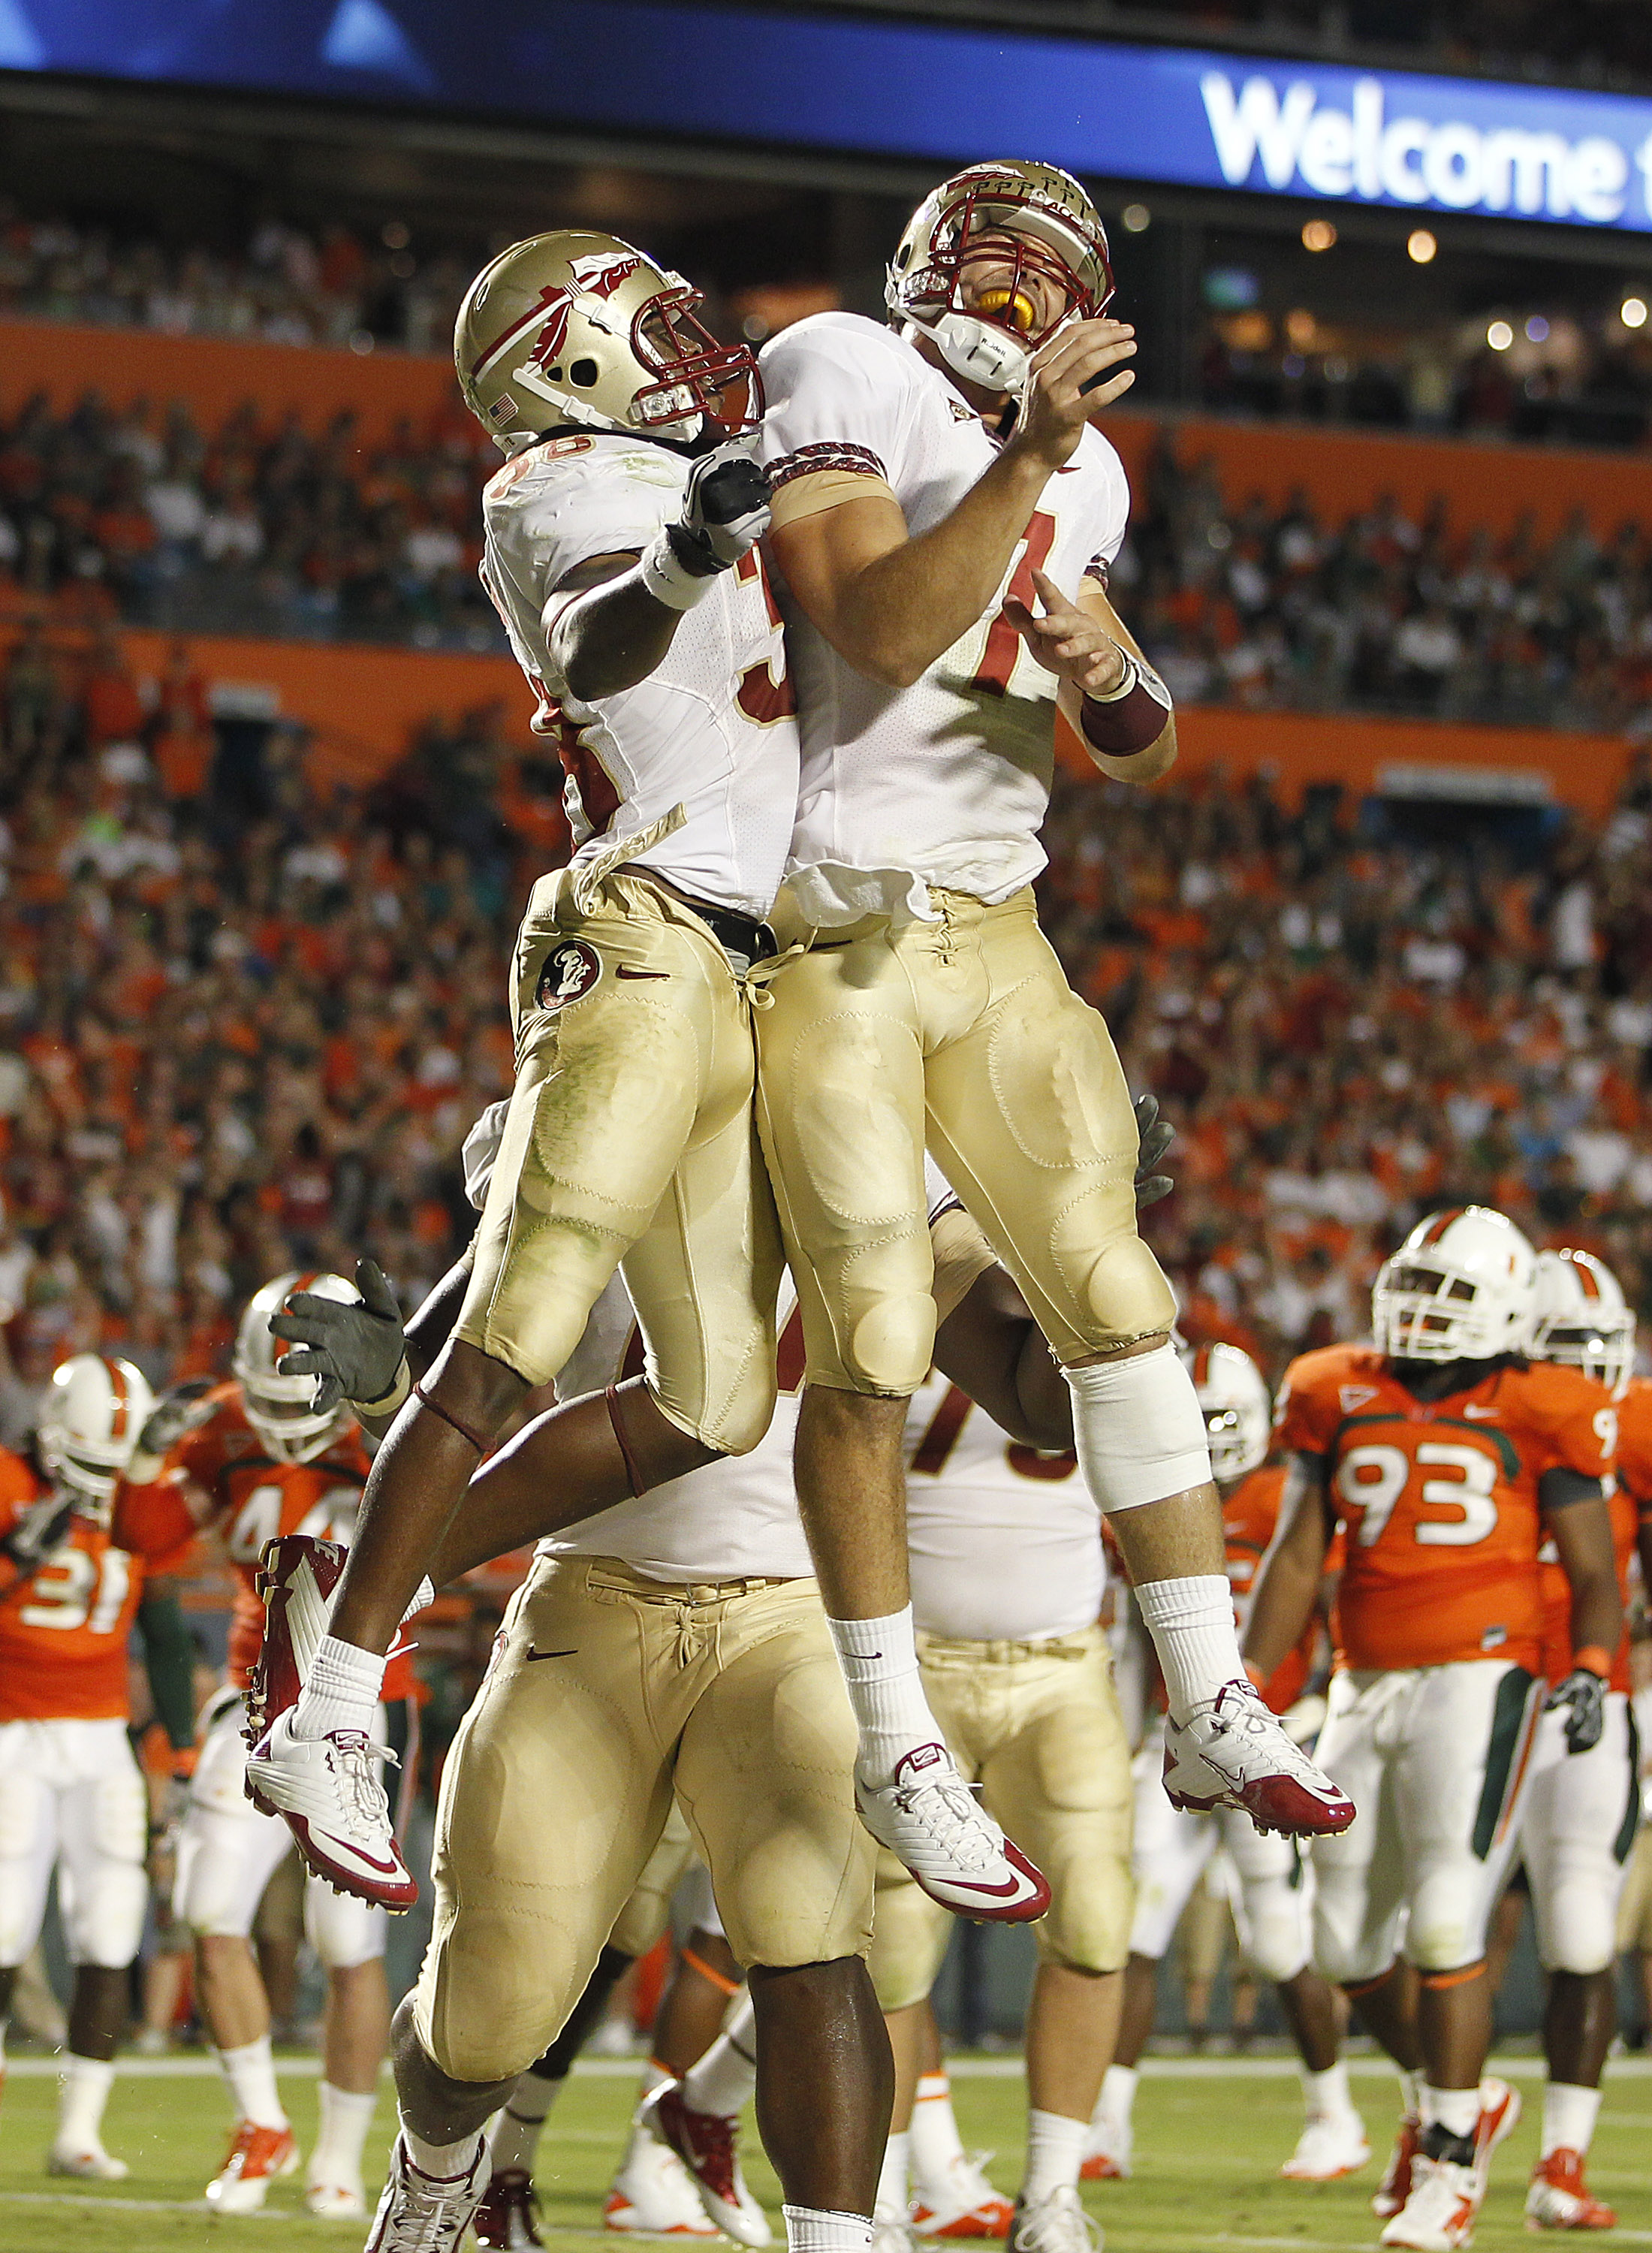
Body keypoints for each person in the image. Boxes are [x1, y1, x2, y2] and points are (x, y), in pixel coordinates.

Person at [249, 228, 1039, 1922]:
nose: (686, 339)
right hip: (638, 925)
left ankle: (338, 1577)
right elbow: (601, 644)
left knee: (709, 1403)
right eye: (643, 322)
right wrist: (692, 546)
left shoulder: (718, 468)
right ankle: (330, 1709)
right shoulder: (558, 481)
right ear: (563, 358)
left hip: (747, 962)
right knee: (516, 1340)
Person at [250, 1109, 1172, 2253]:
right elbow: (482, 1375)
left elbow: (1037, 1398)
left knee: (811, 1945)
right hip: (591, 1593)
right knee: (491, 2007)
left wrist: (1076, 1222)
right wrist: (393, 1394)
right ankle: (437, 2176)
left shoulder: (886, 1137)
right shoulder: (596, 1083)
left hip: (798, 1611)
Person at [746, 158, 1351, 1859]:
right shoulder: (842, 366)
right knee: (869, 1343)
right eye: (991, 271)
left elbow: (1138, 736)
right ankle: (897, 1739)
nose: (1012, 305)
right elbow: (864, 611)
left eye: (1043, 282)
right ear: (928, 265)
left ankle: (1212, 1691)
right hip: (835, 916)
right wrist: (1019, 457)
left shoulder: (1093, 471)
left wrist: (1116, 673)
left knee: (1118, 1299)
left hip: (998, 914)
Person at [1244, 1207, 1623, 2253]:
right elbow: (1294, 1555)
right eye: (1415, 1284)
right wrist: (1236, 1684)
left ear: (1504, 1303)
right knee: (1341, 1941)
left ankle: (1450, 2166)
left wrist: (1590, 1667)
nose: (1423, 1308)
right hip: (1365, 1683)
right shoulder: (1331, 1387)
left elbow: (1592, 1571)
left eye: (1451, 1292)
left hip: (1483, 1678)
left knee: (1450, 1920)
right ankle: (1446, 2098)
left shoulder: (1550, 1403)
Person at [114, 1276, 415, 2218]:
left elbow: (472, 1516)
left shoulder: (399, 1429)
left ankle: (336, 2156)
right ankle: (261, 2123)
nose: (287, 1424)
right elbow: (147, 1537)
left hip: (366, 1706)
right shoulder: (227, 1428)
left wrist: (396, 1415)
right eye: (267, 1401)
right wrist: (143, 1466)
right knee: (209, 1910)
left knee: (347, 1938)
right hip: (252, 1697)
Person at [866, 1265, 1133, 2253]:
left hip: (1060, 1668)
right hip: (911, 1666)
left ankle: (1052, 2196)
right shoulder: (895, 1311)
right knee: (890, 1946)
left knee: (1098, 1924)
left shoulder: (1108, 1324)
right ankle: (883, 2199)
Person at [1090, 1344, 1366, 2187]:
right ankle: (1106, 2124)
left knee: (1279, 1945)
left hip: (1276, 1740)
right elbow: (1136, 1637)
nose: (1208, 1439)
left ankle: (1335, 2115)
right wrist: (1136, 1732)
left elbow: (1334, 1610)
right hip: (1174, 1747)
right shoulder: (1143, 1501)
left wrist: (1319, 1707)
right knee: (1131, 1935)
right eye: (1193, 1421)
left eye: (1221, 1421)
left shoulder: (1289, 1495)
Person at [0, 1353, 185, 2180]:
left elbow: (168, 1627)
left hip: (103, 1734)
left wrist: (176, 1752)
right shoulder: (6, 1476)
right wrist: (11, 1563)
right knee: (2, 1923)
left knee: (110, 1929)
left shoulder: (139, 1494)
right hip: (13, 1729)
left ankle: (80, 2130)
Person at [1515, 1249, 1644, 2231]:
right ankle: (1451, 2118)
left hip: (1590, 1697)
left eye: (1602, 1351)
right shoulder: (1468, 1407)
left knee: (1583, 1925)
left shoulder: (1633, 1423)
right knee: (1387, 1932)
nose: (1586, 1373)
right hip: (1471, 1689)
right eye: (1566, 1350)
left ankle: (1562, 2158)